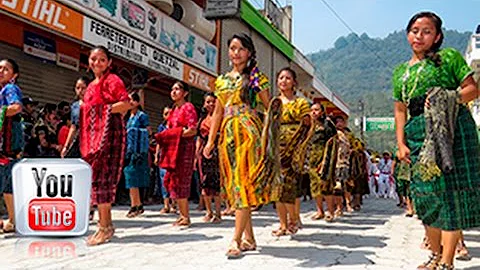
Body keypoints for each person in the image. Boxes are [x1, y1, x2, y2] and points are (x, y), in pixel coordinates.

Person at [393, 12, 480, 269]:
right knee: (424, 196)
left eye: (427, 31)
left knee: (449, 195)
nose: (419, 36)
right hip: (417, 131)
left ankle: (446, 261)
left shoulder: (449, 58)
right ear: (408, 34)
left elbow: (472, 89)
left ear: (438, 36)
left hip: (451, 131)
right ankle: (434, 253)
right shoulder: (400, 72)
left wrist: (446, 97)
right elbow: (400, 109)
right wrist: (401, 143)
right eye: (415, 30)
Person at [203, 33, 272, 258]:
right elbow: (217, 112)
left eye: (241, 49)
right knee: (235, 185)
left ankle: (235, 239)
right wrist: (211, 141)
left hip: (248, 134)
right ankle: (249, 238)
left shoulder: (256, 78)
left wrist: (268, 137)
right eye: (232, 48)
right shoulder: (222, 81)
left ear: (249, 52)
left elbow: (270, 108)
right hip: (228, 136)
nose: (236, 53)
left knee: (242, 183)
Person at [79, 46, 132, 245]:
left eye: (102, 59)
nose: (97, 63)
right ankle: (107, 225)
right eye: (94, 59)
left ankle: (103, 227)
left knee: (104, 178)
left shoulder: (113, 80)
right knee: (97, 178)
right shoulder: (91, 86)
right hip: (93, 137)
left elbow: (125, 104)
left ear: (109, 62)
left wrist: (101, 111)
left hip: (111, 133)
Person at [268, 67, 311, 236]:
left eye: (287, 78)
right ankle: (282, 224)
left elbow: (307, 125)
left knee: (290, 187)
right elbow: (269, 126)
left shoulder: (300, 103)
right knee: (277, 188)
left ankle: (294, 220)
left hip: (294, 149)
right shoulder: (274, 103)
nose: (283, 81)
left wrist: (299, 147)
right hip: (277, 148)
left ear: (294, 82)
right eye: (280, 78)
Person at [155, 81, 198, 227]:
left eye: (178, 89)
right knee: (174, 181)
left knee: (182, 181)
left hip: (184, 148)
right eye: (172, 89)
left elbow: (192, 130)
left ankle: (186, 216)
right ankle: (181, 214)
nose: (174, 92)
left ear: (185, 93)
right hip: (174, 150)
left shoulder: (188, 107)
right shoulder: (173, 110)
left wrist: (174, 135)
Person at [0, 58, 24, 233]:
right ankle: (12, 220)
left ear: (14, 75)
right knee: (8, 185)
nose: (1, 71)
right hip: (8, 146)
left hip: (6, 144)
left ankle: (12, 220)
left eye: (6, 69)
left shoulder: (10, 88)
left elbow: (16, 107)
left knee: (7, 182)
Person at [303, 103, 337, 222]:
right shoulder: (309, 126)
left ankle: (330, 212)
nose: (314, 112)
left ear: (322, 112)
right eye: (311, 110)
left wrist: (326, 161)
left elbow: (332, 144)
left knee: (326, 186)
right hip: (312, 159)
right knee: (315, 187)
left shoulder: (328, 125)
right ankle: (319, 211)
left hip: (324, 159)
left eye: (317, 110)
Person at [196, 93, 222, 223]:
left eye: (213, 102)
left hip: (217, 151)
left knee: (217, 183)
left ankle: (218, 213)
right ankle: (209, 211)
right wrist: (196, 154)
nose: (210, 104)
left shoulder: (221, 118)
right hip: (203, 153)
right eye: (208, 102)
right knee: (204, 182)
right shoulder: (202, 120)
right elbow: (199, 138)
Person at [124, 92, 151, 218]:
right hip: (128, 151)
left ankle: (135, 205)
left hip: (138, 151)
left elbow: (148, 131)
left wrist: (133, 132)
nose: (129, 102)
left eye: (131, 100)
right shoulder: (127, 117)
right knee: (129, 178)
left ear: (137, 102)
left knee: (133, 179)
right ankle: (136, 204)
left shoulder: (142, 116)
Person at [61, 76, 89, 159]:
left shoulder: (94, 104)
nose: (80, 91)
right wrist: (66, 146)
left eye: (83, 88)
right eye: (78, 88)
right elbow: (73, 127)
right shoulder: (75, 106)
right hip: (79, 141)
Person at [156, 106, 175, 214]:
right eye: (165, 113)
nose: (168, 115)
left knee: (173, 180)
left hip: (173, 155)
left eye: (169, 113)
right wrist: (156, 156)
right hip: (163, 156)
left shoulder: (176, 126)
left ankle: (174, 204)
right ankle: (166, 204)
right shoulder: (161, 127)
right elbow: (159, 142)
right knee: (163, 181)